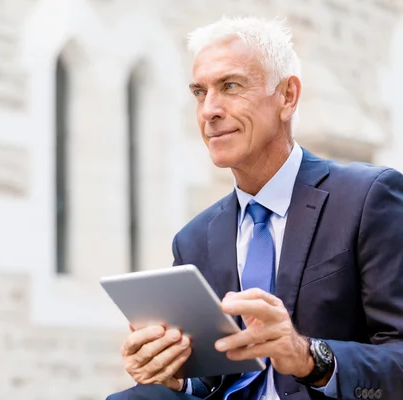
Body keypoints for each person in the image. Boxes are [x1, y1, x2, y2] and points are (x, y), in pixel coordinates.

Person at [106, 15, 403, 400]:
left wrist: (308, 356)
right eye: (199, 92)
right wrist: (174, 374)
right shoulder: (194, 239)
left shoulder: (368, 198)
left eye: (230, 86)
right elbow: (215, 377)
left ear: (287, 97)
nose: (209, 110)